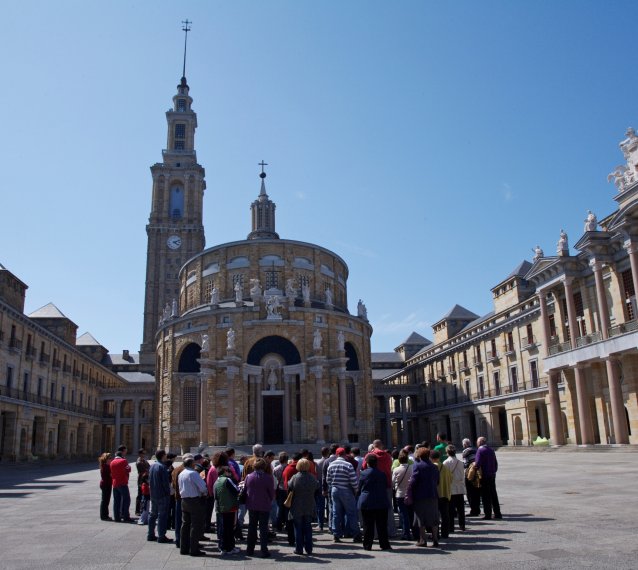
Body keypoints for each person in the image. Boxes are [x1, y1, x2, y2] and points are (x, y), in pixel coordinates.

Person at [326, 447, 362, 543]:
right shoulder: (348, 465)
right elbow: (353, 480)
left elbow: (328, 480)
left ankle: (336, 534)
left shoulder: (331, 465)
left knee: (336, 513)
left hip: (335, 490)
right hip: (346, 490)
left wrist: (333, 485)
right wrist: (356, 490)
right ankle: (356, 534)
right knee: (351, 512)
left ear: (337, 455)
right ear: (345, 454)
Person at [406, 447, 440, 547]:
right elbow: (437, 481)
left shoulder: (417, 466)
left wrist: (410, 487)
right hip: (433, 494)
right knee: (434, 518)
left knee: (421, 518)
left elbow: (413, 481)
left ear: (419, 456)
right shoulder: (434, 467)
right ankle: (435, 539)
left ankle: (423, 540)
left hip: (420, 495)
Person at [358, 454, 392, 551]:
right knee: (382, 525)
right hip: (381, 501)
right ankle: (384, 544)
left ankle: (368, 545)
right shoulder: (382, 474)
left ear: (368, 463)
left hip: (367, 501)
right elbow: (385, 486)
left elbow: (359, 488)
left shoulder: (363, 474)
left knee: (368, 525)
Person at [178, 454, 209, 557]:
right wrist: (204, 493)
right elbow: (202, 487)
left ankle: (184, 547)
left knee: (185, 525)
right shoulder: (193, 473)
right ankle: (194, 549)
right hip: (194, 500)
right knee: (195, 525)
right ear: (191, 464)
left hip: (184, 500)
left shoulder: (181, 473)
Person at [363, 439, 394, 537]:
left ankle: (375, 534)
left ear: (373, 446)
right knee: (388, 508)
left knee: (373, 510)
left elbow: (364, 468)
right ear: (381, 446)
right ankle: (391, 531)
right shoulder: (388, 456)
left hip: (372, 485)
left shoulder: (369, 456)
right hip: (386, 484)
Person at [288, 458, 319, 555]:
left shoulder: (295, 477)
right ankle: (309, 548)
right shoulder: (312, 477)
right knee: (308, 527)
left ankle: (299, 548)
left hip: (297, 505)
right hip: (309, 504)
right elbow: (317, 487)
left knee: (298, 528)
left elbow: (289, 486)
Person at [244, 457, 275, 558]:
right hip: (264, 505)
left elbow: (245, 489)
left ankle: (249, 549)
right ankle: (264, 550)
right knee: (263, 528)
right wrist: (269, 499)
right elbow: (271, 493)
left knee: (252, 527)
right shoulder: (268, 477)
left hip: (252, 505)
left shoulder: (248, 477)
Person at [147, 449, 173, 543]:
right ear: (163, 456)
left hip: (153, 493)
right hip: (162, 495)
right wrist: (168, 493)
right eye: (165, 455)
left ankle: (150, 534)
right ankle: (161, 536)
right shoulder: (162, 467)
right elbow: (165, 483)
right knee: (162, 515)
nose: (166, 456)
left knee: (153, 514)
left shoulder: (152, 466)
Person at [214, 465, 241, 555]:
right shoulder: (227, 480)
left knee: (223, 528)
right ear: (225, 472)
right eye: (229, 471)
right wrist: (240, 487)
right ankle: (230, 547)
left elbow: (215, 494)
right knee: (230, 528)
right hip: (230, 507)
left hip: (221, 507)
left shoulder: (217, 480)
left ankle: (222, 547)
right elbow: (236, 490)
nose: (230, 473)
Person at [474, 437, 502, 520]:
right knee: (493, 494)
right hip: (492, 474)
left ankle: (488, 514)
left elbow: (478, 463)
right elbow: (495, 462)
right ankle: (497, 513)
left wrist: (475, 469)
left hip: (485, 475)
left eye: (477, 442)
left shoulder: (480, 450)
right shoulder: (491, 449)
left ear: (480, 443)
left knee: (486, 495)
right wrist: (494, 470)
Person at [392, 449, 415, 540]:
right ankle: (415, 532)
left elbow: (393, 483)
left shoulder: (396, 469)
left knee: (404, 514)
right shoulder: (412, 467)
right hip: (410, 493)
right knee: (412, 513)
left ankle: (406, 533)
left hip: (400, 494)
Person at [443, 445, 466, 532]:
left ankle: (451, 526)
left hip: (451, 488)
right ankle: (462, 525)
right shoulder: (460, 462)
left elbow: (445, 476)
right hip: (459, 487)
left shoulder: (446, 463)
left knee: (451, 509)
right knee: (461, 508)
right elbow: (462, 474)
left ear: (447, 452)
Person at [431, 450, 452, 538]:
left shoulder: (432, 467)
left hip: (436, 494)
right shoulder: (445, 467)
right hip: (445, 493)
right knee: (445, 515)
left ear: (431, 458)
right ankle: (445, 533)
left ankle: (436, 534)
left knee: (435, 515)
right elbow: (451, 479)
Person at [111, 445, 133, 523]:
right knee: (127, 499)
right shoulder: (123, 461)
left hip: (115, 483)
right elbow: (128, 469)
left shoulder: (112, 462)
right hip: (122, 482)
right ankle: (126, 516)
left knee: (116, 501)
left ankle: (117, 517)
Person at [462, 438, 481, 516]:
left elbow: (466, 464)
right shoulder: (475, 450)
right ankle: (477, 509)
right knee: (476, 491)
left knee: (469, 492)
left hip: (469, 473)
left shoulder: (465, 451)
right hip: (477, 472)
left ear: (465, 444)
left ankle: (474, 510)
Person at [98, 452, 113, 521]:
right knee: (105, 500)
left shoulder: (105, 465)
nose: (111, 459)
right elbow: (110, 475)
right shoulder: (106, 466)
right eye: (110, 458)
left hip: (106, 484)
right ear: (106, 459)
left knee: (106, 500)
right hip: (106, 484)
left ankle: (105, 515)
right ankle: (104, 516)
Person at [135, 449, 150, 516]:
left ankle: (142, 509)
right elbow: (145, 469)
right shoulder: (139, 462)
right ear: (140, 454)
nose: (144, 455)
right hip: (141, 479)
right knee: (140, 494)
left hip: (145, 478)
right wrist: (147, 469)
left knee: (144, 494)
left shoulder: (144, 460)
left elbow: (149, 467)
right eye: (143, 453)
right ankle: (137, 510)